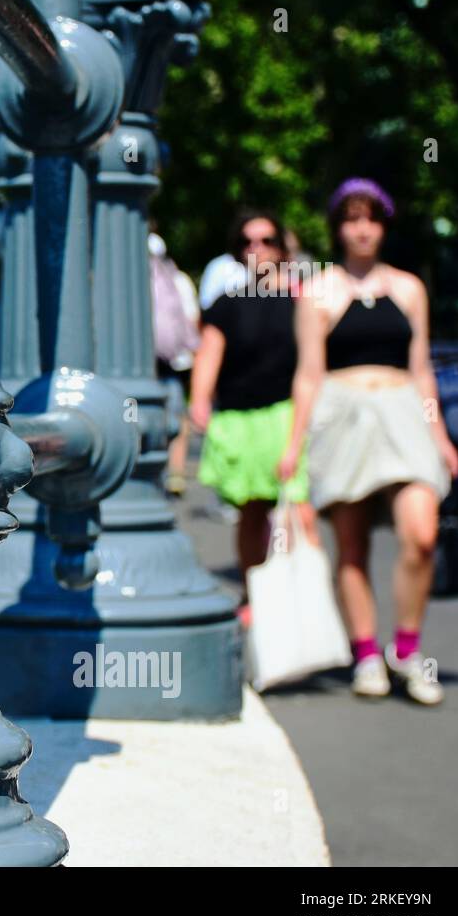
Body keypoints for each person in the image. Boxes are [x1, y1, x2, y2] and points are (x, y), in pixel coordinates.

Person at [279, 178, 458, 704]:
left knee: (420, 534)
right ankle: (365, 655)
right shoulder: (317, 291)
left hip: (404, 412)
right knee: (352, 545)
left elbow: (422, 369)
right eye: (352, 218)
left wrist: (440, 435)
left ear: (384, 225)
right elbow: (308, 375)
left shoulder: (409, 288)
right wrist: (294, 446)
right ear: (339, 227)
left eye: (372, 217)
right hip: (342, 417)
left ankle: (405, 650)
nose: (363, 228)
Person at [190, 209, 314, 621]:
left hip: (288, 415)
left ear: (282, 248)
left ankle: (300, 595)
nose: (256, 249)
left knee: (299, 510)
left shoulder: (303, 301)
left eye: (266, 241)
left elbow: (315, 365)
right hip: (242, 417)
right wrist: (200, 400)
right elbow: (209, 354)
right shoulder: (226, 305)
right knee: (252, 512)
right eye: (246, 242)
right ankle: (255, 592)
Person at [150, 231, 201, 495]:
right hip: (175, 363)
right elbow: (192, 321)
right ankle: (176, 473)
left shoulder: (128, 281)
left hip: (142, 366)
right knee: (177, 419)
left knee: (134, 414)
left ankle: (148, 469)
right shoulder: (178, 280)